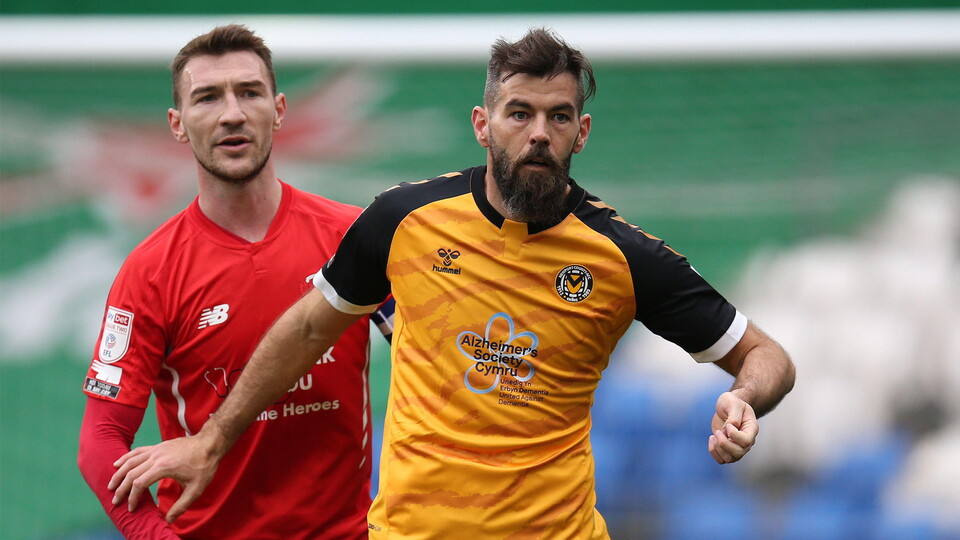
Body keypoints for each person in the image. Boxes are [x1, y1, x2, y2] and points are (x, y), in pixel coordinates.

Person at [109, 28, 795, 538]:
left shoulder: (623, 257)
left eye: (558, 117)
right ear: (483, 124)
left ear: (581, 132)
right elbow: (311, 326)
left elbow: (767, 357)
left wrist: (744, 398)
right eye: (519, 113)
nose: (538, 133)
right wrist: (212, 440)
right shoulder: (402, 220)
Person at [77, 24, 393, 540]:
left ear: (280, 109)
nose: (232, 114)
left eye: (249, 92)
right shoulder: (150, 270)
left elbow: (434, 365)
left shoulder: (354, 236)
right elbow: (101, 438)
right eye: (207, 98)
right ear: (177, 124)